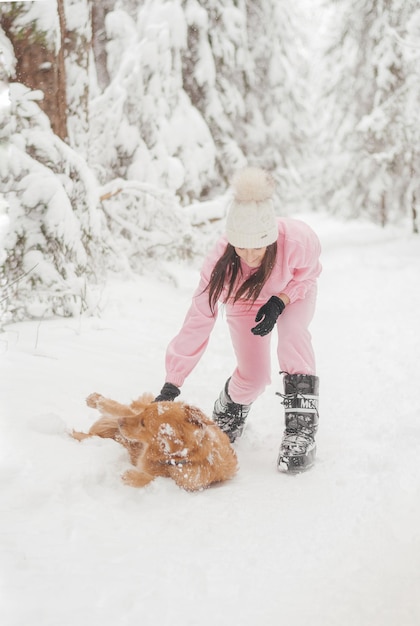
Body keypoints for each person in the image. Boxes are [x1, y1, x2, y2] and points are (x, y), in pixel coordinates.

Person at [155, 167, 322, 473]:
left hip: (291, 293)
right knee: (254, 375)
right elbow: (199, 318)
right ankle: (229, 410)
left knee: (293, 336)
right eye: (240, 246)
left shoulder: (297, 240)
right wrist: (172, 382)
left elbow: (309, 275)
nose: (248, 256)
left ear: (270, 238)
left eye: (257, 246)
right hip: (245, 300)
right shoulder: (220, 261)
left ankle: (301, 430)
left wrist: (280, 300)